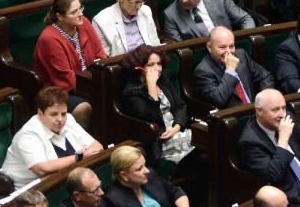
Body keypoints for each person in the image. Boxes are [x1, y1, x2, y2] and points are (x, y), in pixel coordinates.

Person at [236, 90, 300, 207]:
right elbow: (274, 175)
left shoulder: (287, 118)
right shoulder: (249, 142)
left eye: (283, 108)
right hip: (289, 201)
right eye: (275, 110)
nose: (282, 114)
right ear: (259, 111)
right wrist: (283, 139)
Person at [0, 87, 104, 188]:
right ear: (40, 114)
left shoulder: (69, 120)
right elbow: (41, 169)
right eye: (54, 114)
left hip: (66, 182)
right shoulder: (28, 134)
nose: (60, 119)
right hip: (30, 190)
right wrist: (79, 157)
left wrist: (85, 155)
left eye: (63, 114)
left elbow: (97, 146)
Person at [119, 46, 196, 174]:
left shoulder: (163, 79)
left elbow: (180, 105)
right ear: (139, 67)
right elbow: (151, 117)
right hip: (160, 141)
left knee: (211, 145)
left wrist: (176, 127)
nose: (157, 69)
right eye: (151, 65)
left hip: (178, 131)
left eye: (159, 64)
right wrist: (151, 87)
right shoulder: (132, 91)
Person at [193, 27, 275, 109]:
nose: (229, 52)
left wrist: (263, 99)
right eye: (222, 47)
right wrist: (230, 71)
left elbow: (265, 77)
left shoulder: (241, 55)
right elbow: (218, 100)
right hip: (233, 115)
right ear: (209, 47)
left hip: (256, 109)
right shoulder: (203, 71)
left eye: (231, 46)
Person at [92, 0, 161, 57]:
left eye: (141, 1)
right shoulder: (100, 21)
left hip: (150, 60)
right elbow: (105, 57)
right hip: (123, 63)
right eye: (134, 2)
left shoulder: (145, 10)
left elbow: (155, 43)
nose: (138, 6)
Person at [102, 145, 188, 207]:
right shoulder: (114, 200)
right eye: (139, 169)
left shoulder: (150, 175)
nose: (147, 171)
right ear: (124, 175)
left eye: (145, 165)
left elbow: (175, 191)